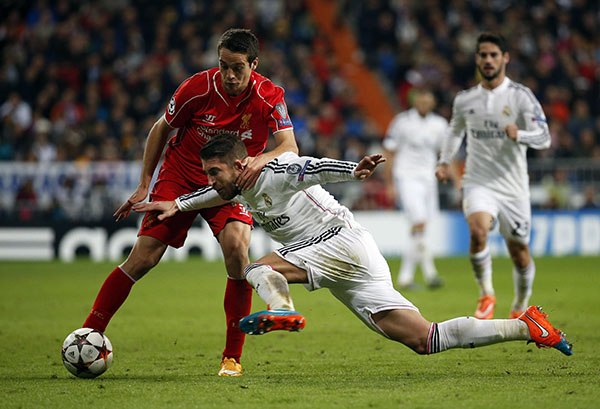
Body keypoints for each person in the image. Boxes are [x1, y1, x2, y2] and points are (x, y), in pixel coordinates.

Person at [134, 133, 572, 362]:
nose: (210, 180)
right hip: (351, 256)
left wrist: (355, 169)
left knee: (254, 269)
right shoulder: (234, 186)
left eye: (214, 171)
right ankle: (526, 327)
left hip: (337, 241)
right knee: (426, 339)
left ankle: (283, 310)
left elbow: (314, 167)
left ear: (238, 164)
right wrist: (177, 204)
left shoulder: (276, 169)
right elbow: (214, 196)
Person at [80, 28, 298, 377]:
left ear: (254, 64)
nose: (229, 75)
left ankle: (232, 357)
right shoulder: (196, 88)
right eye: (223, 65)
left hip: (230, 184)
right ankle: (89, 335)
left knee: (237, 252)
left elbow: (289, 147)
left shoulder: (269, 95)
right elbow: (159, 129)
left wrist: (260, 160)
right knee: (143, 257)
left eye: (238, 67)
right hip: (181, 175)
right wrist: (143, 186)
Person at [435, 32, 551, 320]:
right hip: (478, 181)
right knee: (477, 232)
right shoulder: (465, 100)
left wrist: (520, 134)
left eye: (493, 55)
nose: (488, 60)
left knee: (520, 254)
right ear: (477, 59)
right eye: (483, 55)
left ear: (505, 58)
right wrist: (443, 161)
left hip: (513, 188)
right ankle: (486, 292)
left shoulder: (520, 96)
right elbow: (454, 131)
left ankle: (521, 304)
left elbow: (545, 137)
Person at [383, 89, 449, 289]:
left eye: (428, 99)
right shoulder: (402, 122)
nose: (424, 102)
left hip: (428, 179)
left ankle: (407, 279)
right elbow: (389, 152)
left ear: (432, 102)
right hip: (406, 177)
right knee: (419, 223)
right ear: (414, 101)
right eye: (421, 99)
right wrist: (390, 184)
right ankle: (429, 274)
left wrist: (454, 179)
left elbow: (446, 153)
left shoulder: (440, 124)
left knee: (421, 228)